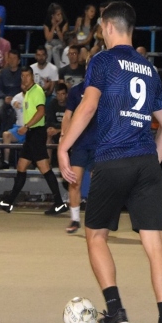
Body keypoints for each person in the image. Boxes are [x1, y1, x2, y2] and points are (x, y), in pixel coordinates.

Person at [58, 1, 162, 323]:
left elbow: (88, 105)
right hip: (145, 162)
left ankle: (115, 310)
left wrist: (64, 146)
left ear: (109, 27)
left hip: (112, 160)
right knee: (155, 245)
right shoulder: (149, 69)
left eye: (100, 27)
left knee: (95, 236)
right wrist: (152, 161)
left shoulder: (103, 61)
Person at [0, 67, 68, 215]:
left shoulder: (37, 91)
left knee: (44, 168)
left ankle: (59, 203)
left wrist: (26, 126)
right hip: (31, 133)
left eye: (27, 76)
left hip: (36, 132)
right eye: (22, 76)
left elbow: (41, 112)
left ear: (32, 77)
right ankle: (10, 202)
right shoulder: (28, 92)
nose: (24, 79)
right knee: (21, 166)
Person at [60, 81, 96, 232]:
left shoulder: (105, 89)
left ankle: (97, 219)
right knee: (74, 181)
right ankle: (75, 219)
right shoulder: (75, 91)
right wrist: (64, 136)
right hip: (79, 143)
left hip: (99, 144)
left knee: (99, 183)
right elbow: (67, 116)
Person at [43, 3, 69, 68]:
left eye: (61, 14)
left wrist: (57, 27)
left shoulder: (64, 22)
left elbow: (62, 39)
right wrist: (53, 26)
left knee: (55, 49)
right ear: (53, 15)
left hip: (60, 43)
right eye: (58, 14)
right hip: (50, 43)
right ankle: (47, 69)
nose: (60, 16)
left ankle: (58, 70)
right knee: (48, 49)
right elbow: (48, 39)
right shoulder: (47, 22)